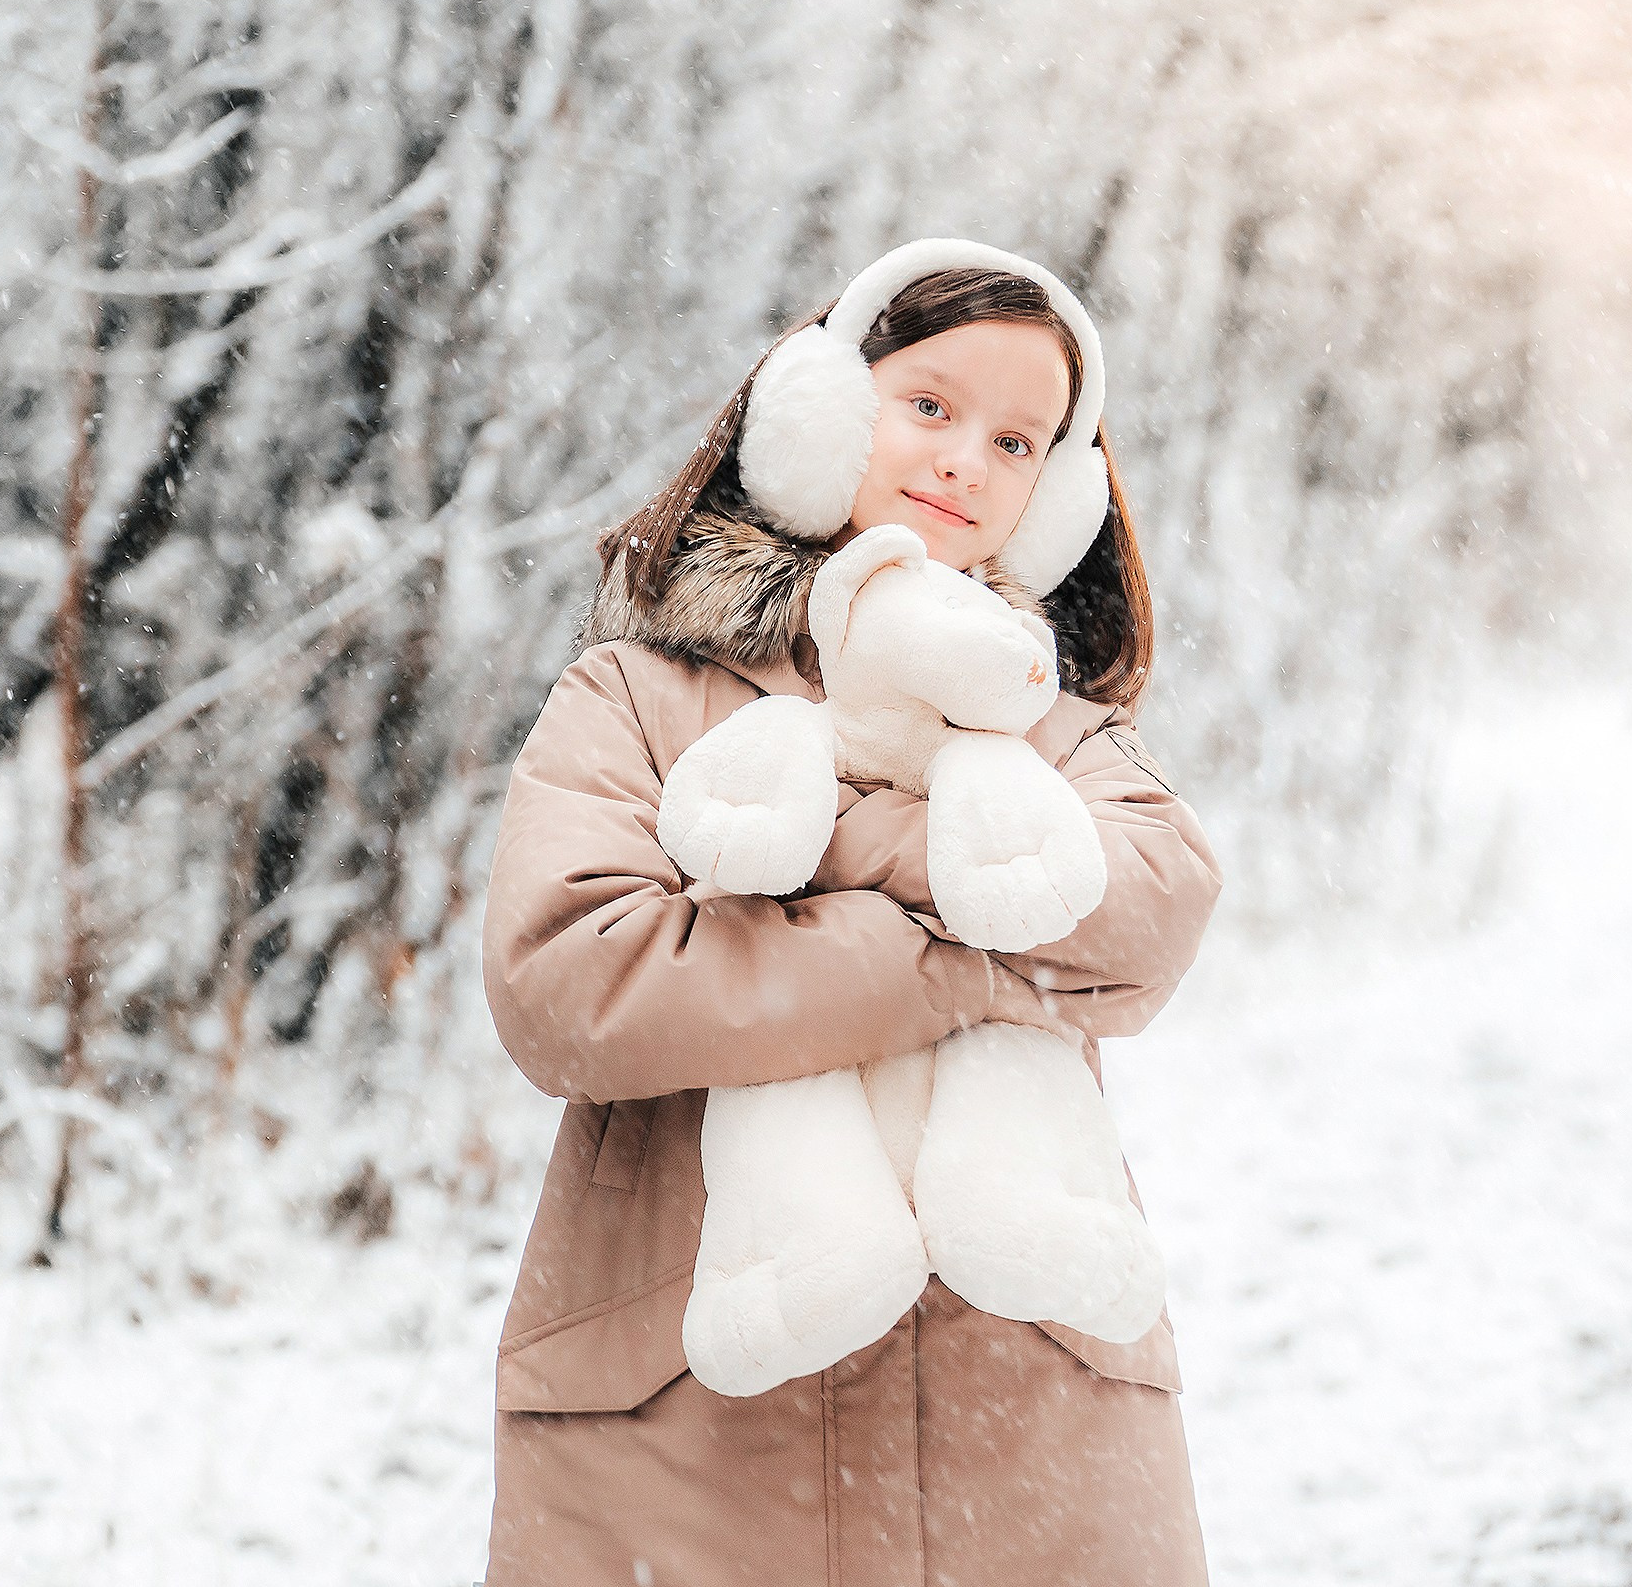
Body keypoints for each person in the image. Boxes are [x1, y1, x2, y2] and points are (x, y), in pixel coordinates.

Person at [477, 239, 1224, 1586]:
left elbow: (1150, 915)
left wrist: (813, 869)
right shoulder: (637, 696)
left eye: (1016, 442)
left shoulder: (1052, 721)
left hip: (1018, 1407)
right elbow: (575, 986)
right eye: (929, 405)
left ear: (1053, 495)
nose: (965, 462)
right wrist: (962, 947)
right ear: (814, 415)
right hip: (692, 1421)